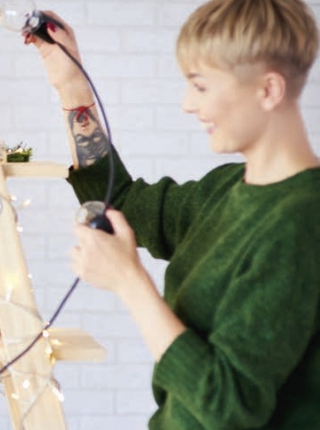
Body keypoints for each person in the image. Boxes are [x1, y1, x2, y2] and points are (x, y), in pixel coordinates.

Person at [25, 0, 320, 428]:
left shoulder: (301, 222)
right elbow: (119, 200)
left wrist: (129, 281)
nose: (187, 104)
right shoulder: (225, 189)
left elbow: (229, 406)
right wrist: (72, 87)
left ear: (268, 90)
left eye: (200, 87)